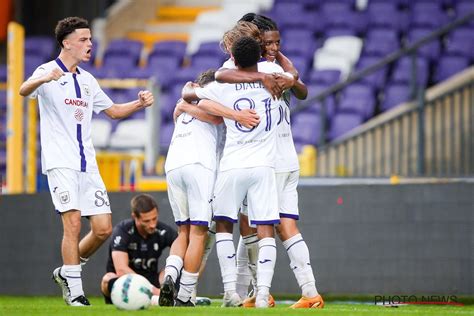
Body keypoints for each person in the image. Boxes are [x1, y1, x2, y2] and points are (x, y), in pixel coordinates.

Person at [18, 16, 154, 306]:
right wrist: (42, 78)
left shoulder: (88, 80)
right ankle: (76, 292)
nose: (90, 44)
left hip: (87, 164)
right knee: (73, 222)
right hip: (60, 161)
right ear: (67, 43)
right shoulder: (47, 70)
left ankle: (68, 271)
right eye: (84, 39)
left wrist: (139, 104)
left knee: (103, 227)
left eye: (91, 39)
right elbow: (23, 90)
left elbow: (114, 111)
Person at [216, 13, 324, 309]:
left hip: (267, 160)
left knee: (250, 225)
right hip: (287, 158)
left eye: (278, 42)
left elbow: (219, 78)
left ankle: (257, 291)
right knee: (285, 224)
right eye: (269, 43)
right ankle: (309, 292)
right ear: (256, 44)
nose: (274, 47)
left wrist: (271, 60)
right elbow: (300, 86)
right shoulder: (275, 71)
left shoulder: (244, 68)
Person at [184, 36, 284, 308]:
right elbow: (295, 79)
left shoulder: (221, 85)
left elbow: (189, 96)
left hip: (232, 165)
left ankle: (230, 292)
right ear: (259, 56)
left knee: (225, 227)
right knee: (265, 229)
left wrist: (231, 112)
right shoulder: (274, 77)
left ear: (234, 60)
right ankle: (262, 294)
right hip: (263, 166)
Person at [159, 70, 259, 307]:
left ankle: (171, 275)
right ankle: (185, 295)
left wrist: (184, 105)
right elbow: (215, 118)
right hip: (200, 167)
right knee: (198, 233)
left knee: (183, 230)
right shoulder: (213, 106)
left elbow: (183, 109)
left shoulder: (183, 106)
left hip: (172, 165)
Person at [100, 194, 178, 304]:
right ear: (134, 217)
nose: (152, 225)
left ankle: (179, 297)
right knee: (107, 279)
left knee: (171, 272)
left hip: (152, 281)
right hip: (125, 283)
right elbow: (121, 270)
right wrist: (154, 291)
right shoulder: (122, 231)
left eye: (154, 219)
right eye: (146, 221)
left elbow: (182, 249)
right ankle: (157, 299)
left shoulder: (163, 231)